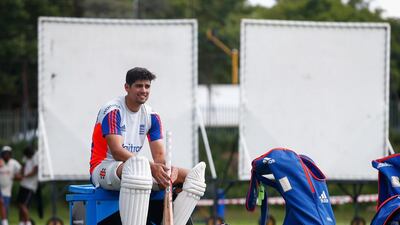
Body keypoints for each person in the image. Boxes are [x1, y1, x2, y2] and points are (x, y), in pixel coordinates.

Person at [90, 67, 206, 225]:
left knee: (193, 177)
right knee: (138, 169)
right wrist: (150, 167)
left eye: (147, 86)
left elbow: (159, 157)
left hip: (135, 168)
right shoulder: (113, 110)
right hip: (103, 166)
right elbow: (117, 151)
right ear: (127, 87)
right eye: (138, 86)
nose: (143, 90)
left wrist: (169, 171)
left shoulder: (152, 116)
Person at [17, 147, 38, 225]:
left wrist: (24, 176)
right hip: (23, 184)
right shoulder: (26, 157)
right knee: (19, 204)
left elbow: (35, 170)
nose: (27, 157)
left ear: (31, 154)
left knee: (23, 205)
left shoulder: (36, 156)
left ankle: (28, 222)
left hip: (30, 186)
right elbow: (23, 166)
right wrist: (20, 174)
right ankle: (21, 222)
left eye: (28, 156)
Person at [0, 146, 22, 220]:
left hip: (7, 190)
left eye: (8, 153)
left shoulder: (14, 163)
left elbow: (20, 173)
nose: (6, 155)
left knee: (5, 208)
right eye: (4, 153)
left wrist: (17, 177)